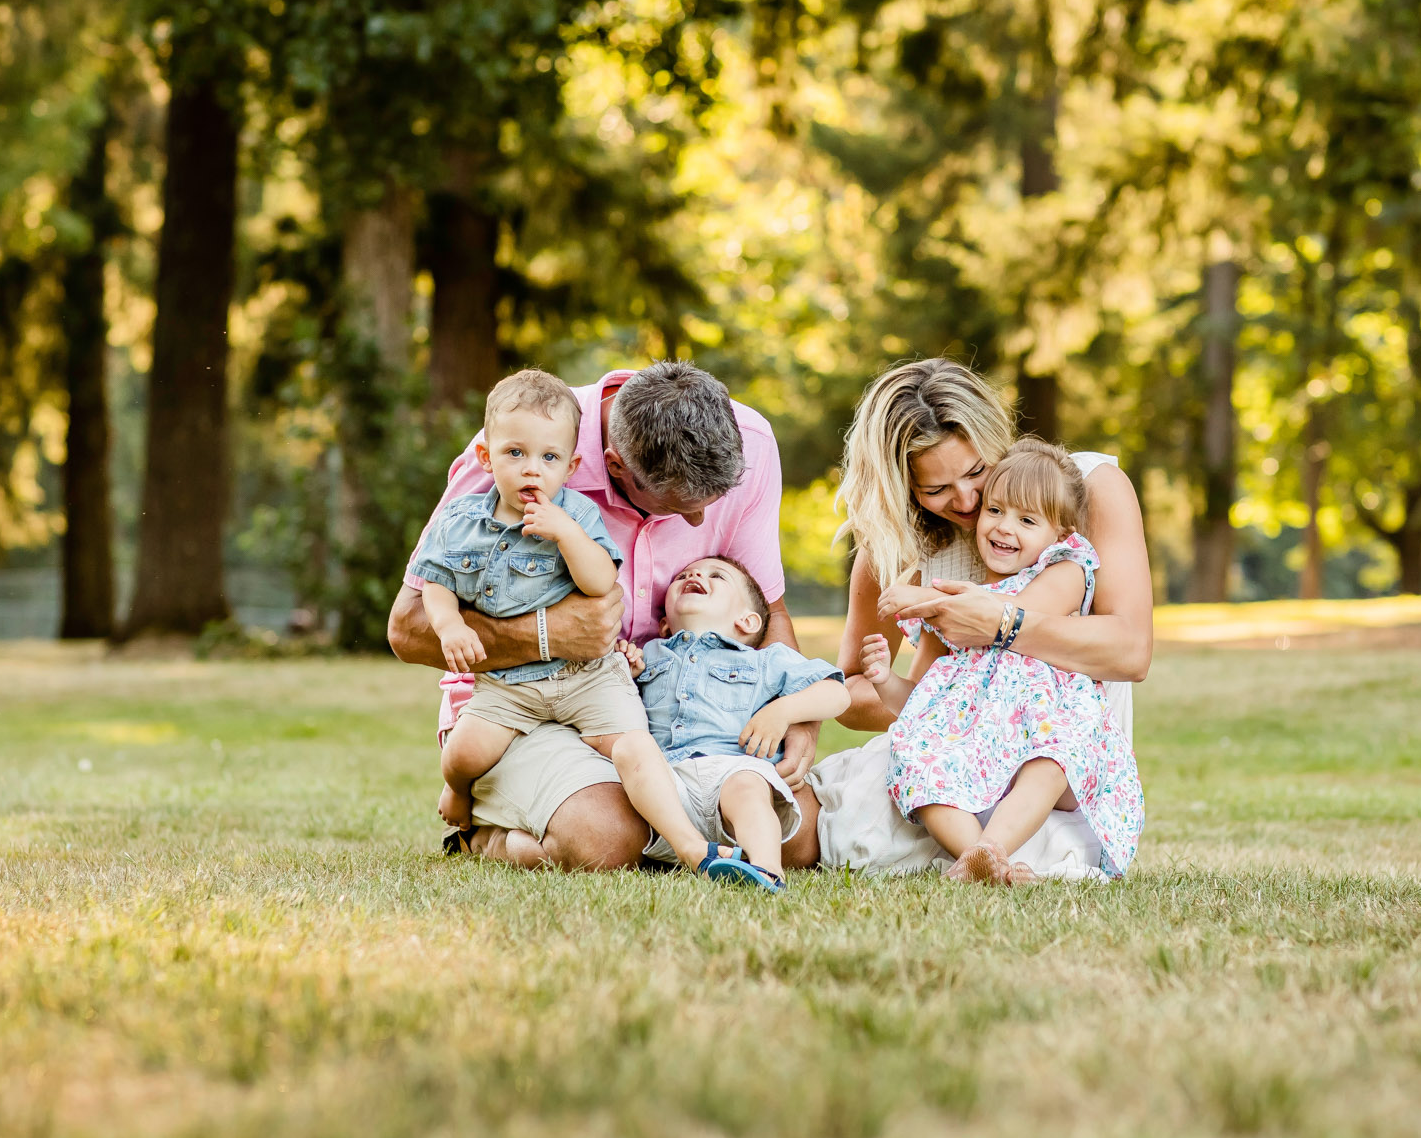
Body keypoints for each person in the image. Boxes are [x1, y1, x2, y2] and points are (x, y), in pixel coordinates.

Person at [387, 361, 811, 870]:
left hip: (666, 709)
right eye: (680, 507)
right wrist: (548, 635)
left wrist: (797, 716)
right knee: (605, 839)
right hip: (518, 706)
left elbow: (769, 608)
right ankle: (486, 834)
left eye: (711, 503)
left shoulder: (753, 444)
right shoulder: (521, 442)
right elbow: (408, 628)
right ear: (613, 466)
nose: (700, 522)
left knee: (796, 835)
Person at [800, 358, 1154, 880]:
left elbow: (1131, 651)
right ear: (903, 488)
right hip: (953, 746)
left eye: (975, 472)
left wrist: (998, 624)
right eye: (936, 490)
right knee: (823, 828)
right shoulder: (897, 546)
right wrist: (893, 691)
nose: (966, 501)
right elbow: (860, 690)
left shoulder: (1081, 489)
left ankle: (993, 849)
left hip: (1054, 752)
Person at [859, 439, 1144, 884]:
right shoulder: (957, 606)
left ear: (1060, 533)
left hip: (1044, 734)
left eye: (1027, 519)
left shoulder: (1065, 569)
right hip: (975, 750)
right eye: (995, 511)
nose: (1003, 527)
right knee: (919, 761)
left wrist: (930, 599)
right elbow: (926, 704)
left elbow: (1015, 610)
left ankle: (994, 846)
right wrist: (884, 682)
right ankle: (979, 859)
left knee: (1051, 761)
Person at [614, 556, 851, 890]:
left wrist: (782, 711)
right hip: (663, 787)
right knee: (630, 747)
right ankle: (689, 850)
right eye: (682, 574)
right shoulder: (650, 653)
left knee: (747, 784)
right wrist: (627, 666)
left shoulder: (765, 660)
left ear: (748, 621)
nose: (694, 574)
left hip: (730, 772)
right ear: (665, 624)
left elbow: (837, 694)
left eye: (717, 576)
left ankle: (767, 870)